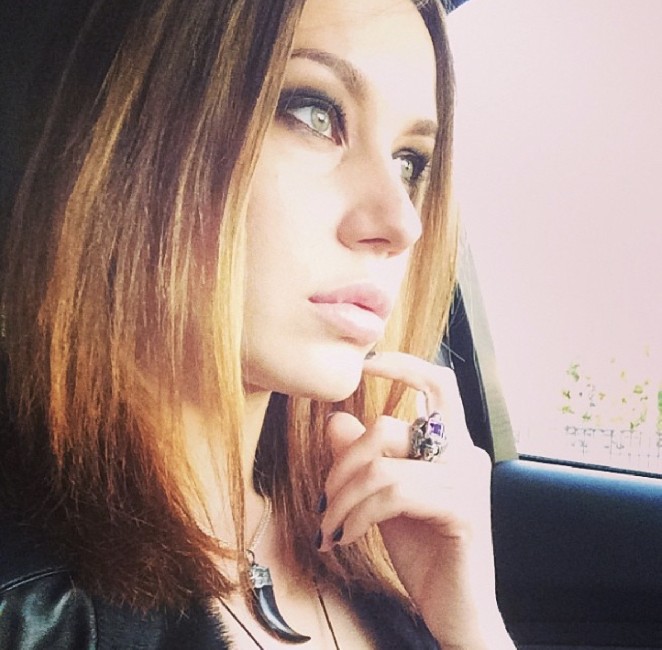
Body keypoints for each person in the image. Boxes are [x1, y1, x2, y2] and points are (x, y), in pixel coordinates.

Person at [0, 0, 516, 647]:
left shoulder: (381, 555)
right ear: (134, 137)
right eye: (315, 114)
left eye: (410, 161)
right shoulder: (30, 612)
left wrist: (471, 623)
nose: (401, 223)